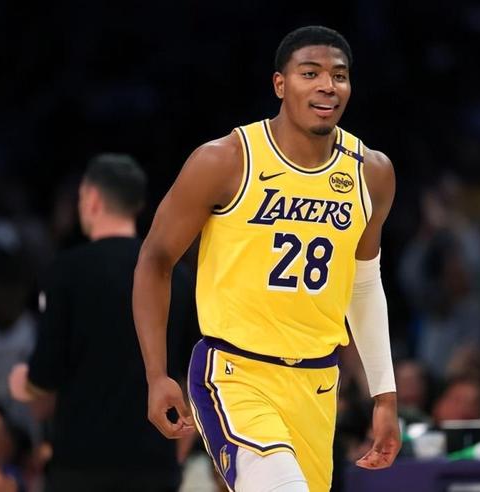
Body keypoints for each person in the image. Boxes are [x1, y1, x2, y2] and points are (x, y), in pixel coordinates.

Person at [133, 25, 400, 492]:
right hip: (234, 374)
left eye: (339, 75)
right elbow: (155, 260)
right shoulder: (225, 160)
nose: (327, 86)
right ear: (280, 84)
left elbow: (363, 285)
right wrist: (156, 374)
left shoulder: (371, 173)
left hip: (318, 384)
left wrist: (384, 394)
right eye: (310, 73)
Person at [8, 154, 196, 492]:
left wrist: (22, 380)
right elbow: (193, 374)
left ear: (92, 199)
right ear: (137, 204)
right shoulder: (177, 276)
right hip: (154, 463)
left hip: (81, 465)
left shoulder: (65, 270)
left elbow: (46, 373)